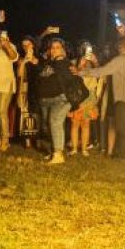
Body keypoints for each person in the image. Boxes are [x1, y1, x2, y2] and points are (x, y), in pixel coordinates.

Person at [80, 37, 125, 160]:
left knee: (121, 126)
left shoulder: (119, 60)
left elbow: (102, 71)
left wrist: (82, 72)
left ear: (120, 47)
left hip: (123, 99)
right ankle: (122, 156)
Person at [35, 37, 73, 165]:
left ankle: (58, 154)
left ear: (63, 50)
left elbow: (68, 78)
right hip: (46, 99)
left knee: (55, 122)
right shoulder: (48, 63)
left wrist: (60, 59)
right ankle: (54, 151)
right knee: (48, 126)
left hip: (60, 99)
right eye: (52, 48)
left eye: (58, 48)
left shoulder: (64, 63)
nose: (54, 50)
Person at [69, 45, 100, 156]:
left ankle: (84, 149)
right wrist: (80, 64)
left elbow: (99, 72)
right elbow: (74, 73)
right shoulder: (75, 62)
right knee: (75, 123)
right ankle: (74, 148)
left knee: (86, 123)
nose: (87, 54)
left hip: (90, 96)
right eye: (85, 51)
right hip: (78, 95)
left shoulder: (93, 65)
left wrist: (95, 62)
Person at [16, 36, 40, 148]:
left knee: (36, 113)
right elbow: (19, 75)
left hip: (37, 89)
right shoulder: (21, 59)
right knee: (25, 113)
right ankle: (27, 140)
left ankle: (37, 138)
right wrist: (25, 61)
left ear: (33, 45)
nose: (26, 47)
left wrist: (33, 60)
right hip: (25, 88)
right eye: (23, 46)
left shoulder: (39, 58)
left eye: (28, 45)